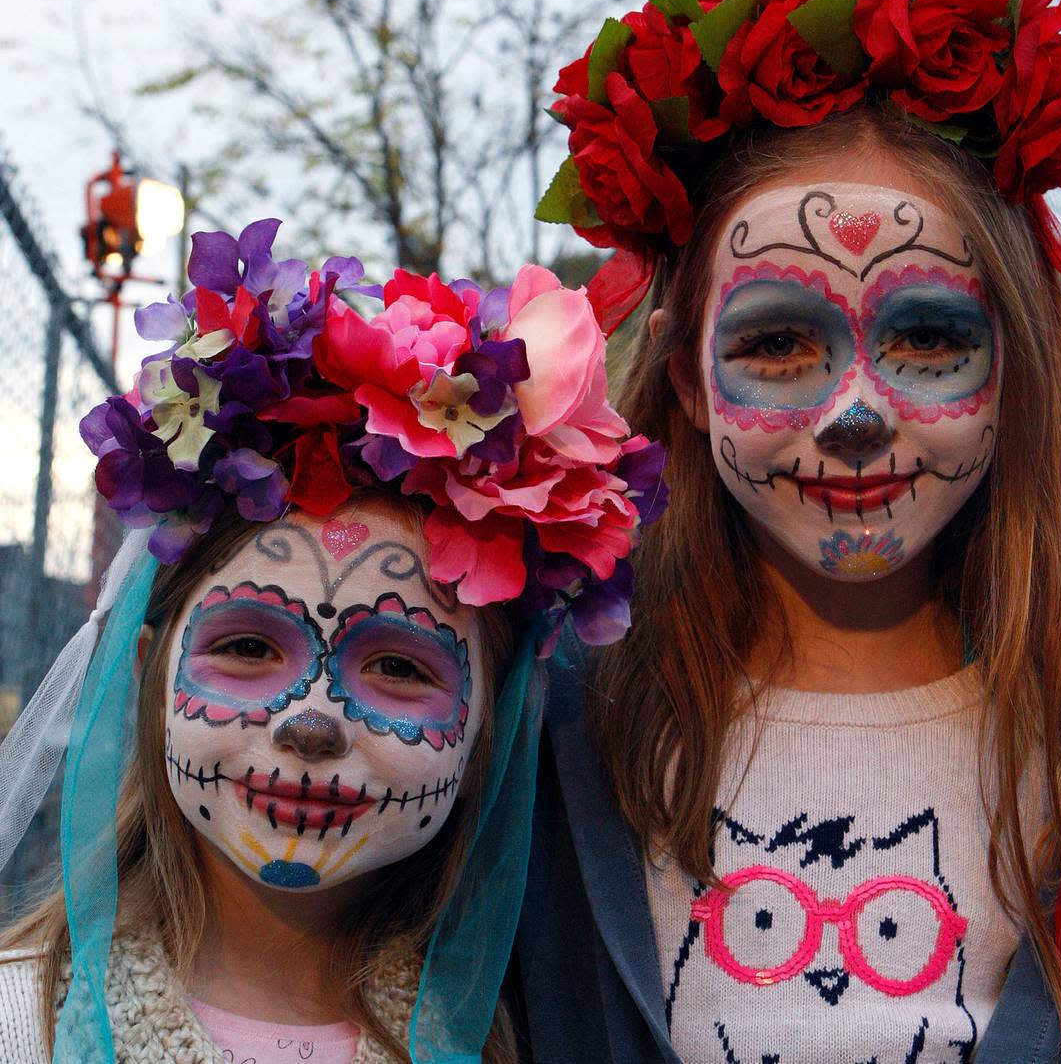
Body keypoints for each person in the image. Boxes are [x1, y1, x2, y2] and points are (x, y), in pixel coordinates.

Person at [517, 0, 1061, 1063]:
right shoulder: (547, 737)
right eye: (777, 344)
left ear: (1013, 372)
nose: (856, 413)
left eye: (926, 339)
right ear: (691, 383)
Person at [0, 223, 665, 1064]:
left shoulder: (526, 1044)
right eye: (246, 647)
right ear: (148, 678)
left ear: (483, 737)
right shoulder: (17, 1023)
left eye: (397, 665)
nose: (310, 724)